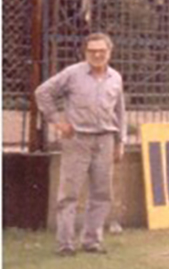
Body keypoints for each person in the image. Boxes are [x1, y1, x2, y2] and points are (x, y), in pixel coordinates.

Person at [35, 32, 126, 256]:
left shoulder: (115, 77)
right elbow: (42, 92)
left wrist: (120, 141)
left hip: (105, 139)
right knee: (69, 194)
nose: (97, 55)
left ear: (109, 52)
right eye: (92, 51)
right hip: (77, 140)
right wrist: (58, 120)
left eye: (102, 51)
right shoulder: (72, 74)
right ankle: (65, 244)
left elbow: (119, 111)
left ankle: (92, 241)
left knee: (102, 193)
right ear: (85, 52)